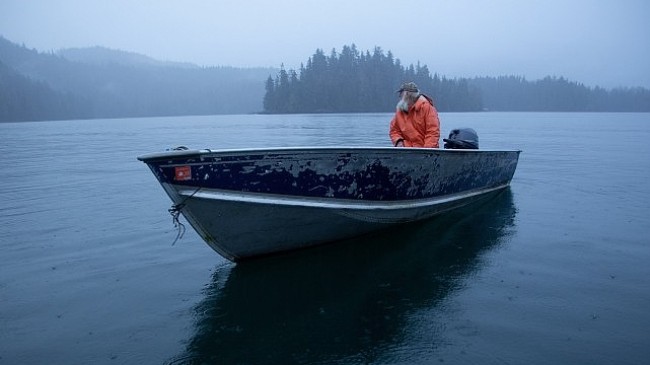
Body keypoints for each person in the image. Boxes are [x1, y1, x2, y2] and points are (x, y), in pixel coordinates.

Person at [389, 82, 440, 148]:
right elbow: (394, 130)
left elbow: (433, 132)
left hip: (425, 151)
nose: (399, 96)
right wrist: (398, 141)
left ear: (406, 94)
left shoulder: (427, 108)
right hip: (406, 151)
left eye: (401, 94)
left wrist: (426, 151)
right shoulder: (400, 110)